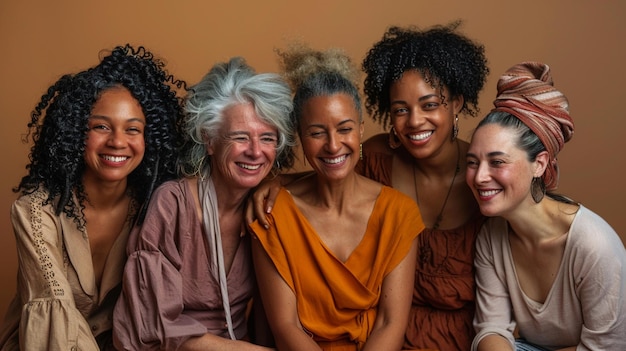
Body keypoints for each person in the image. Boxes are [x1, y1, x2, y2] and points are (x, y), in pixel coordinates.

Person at [0, 44, 186, 350]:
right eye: (101, 126)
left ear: (150, 140)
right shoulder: (35, 210)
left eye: (133, 129)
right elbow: (54, 311)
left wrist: (272, 185)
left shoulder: (155, 206)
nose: (117, 142)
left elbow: (224, 177)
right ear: (75, 132)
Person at [112, 56, 295, 351]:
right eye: (240, 137)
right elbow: (157, 328)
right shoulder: (172, 204)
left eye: (267, 138)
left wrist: (283, 180)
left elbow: (327, 175)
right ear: (209, 140)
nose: (255, 151)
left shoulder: (268, 205)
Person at [249, 43, 422, 351]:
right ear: (300, 138)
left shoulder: (399, 213)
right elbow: (285, 326)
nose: (333, 145)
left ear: (361, 129)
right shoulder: (273, 213)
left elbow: (390, 323)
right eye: (317, 133)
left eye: (344, 129)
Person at [466, 61, 626, 350]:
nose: (479, 177)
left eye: (497, 162)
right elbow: (491, 329)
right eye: (472, 162)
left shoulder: (595, 247)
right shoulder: (492, 236)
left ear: (539, 164)